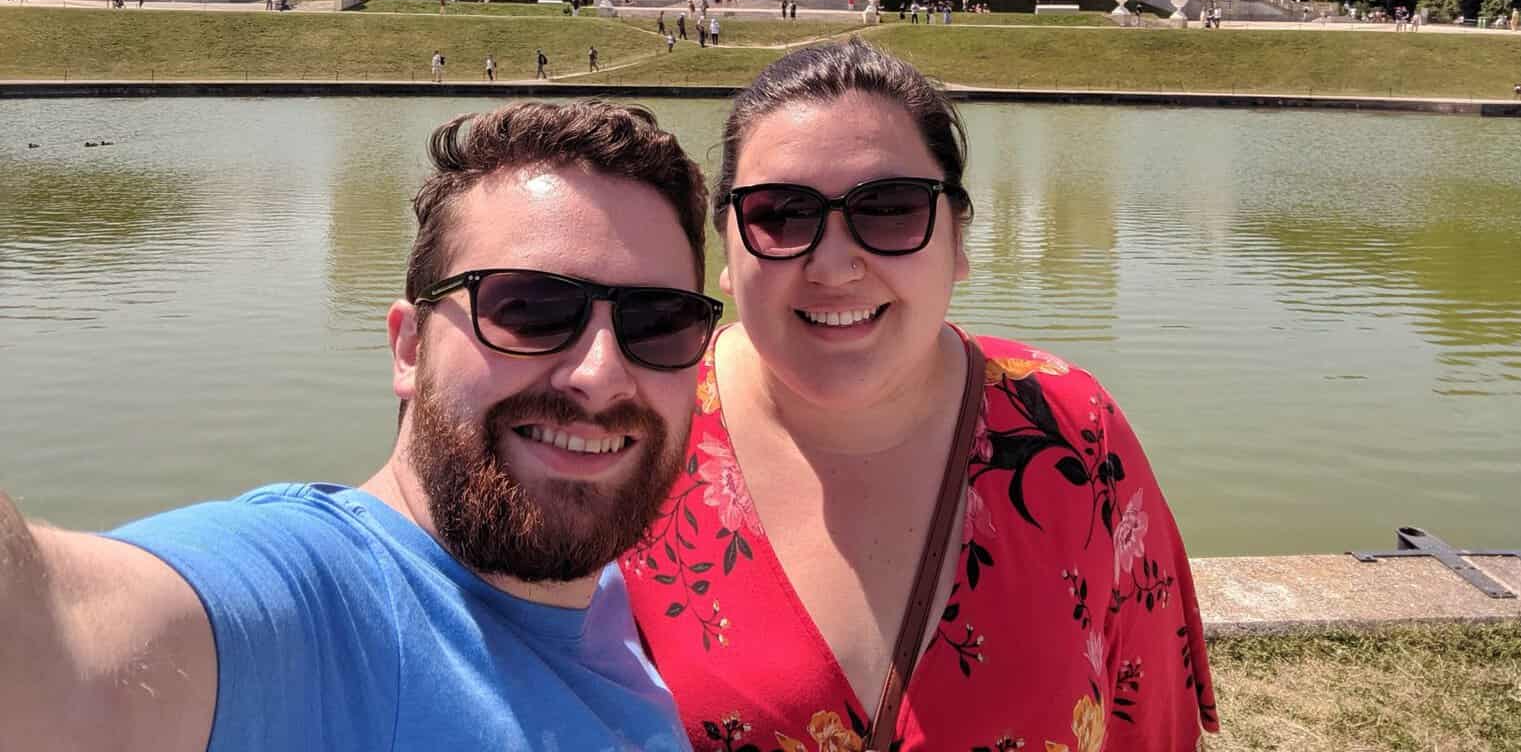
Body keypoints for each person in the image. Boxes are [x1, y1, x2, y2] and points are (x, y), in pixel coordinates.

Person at [0, 101, 724, 751]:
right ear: (410, 348)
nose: (599, 373)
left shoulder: (617, 603)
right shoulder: (314, 609)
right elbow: (54, 640)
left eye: (658, 323)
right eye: (529, 310)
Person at [625, 41, 1217, 750]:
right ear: (727, 244)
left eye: (891, 210)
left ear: (959, 239)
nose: (835, 267)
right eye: (780, 214)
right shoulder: (632, 431)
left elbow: (1147, 722)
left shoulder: (1074, 429)